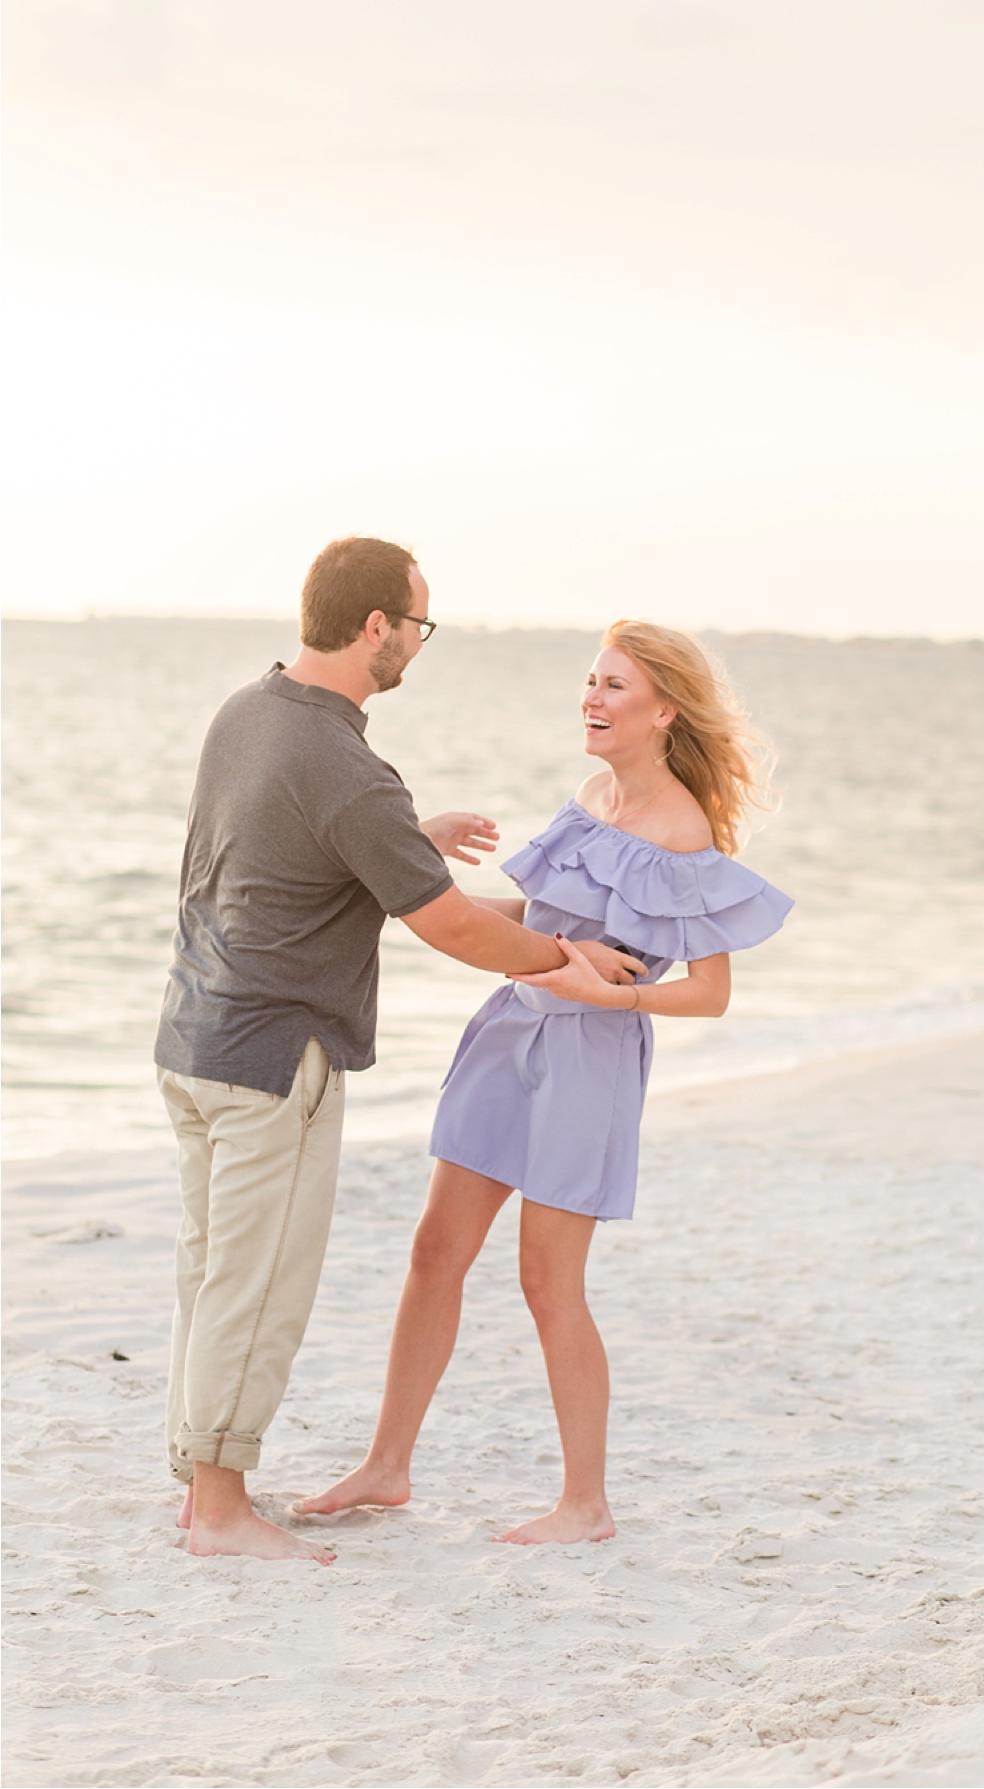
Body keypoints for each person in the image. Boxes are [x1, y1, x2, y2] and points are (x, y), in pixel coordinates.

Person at [154, 538, 644, 1565]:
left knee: (210, 1275)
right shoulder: (347, 765)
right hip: (272, 1054)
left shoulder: (249, 711)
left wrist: (406, 835)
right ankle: (225, 1512)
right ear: (375, 626)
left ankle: (200, 1491)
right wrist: (566, 951)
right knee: (255, 1285)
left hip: (193, 1037)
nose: (419, 642)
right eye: (418, 624)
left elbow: (284, 849)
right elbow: (454, 929)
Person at [297, 619, 793, 1544]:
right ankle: (387, 1465)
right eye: (590, 682)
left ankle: (585, 1506)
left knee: (546, 1280)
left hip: (589, 1060)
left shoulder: (684, 831)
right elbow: (538, 914)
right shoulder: (590, 794)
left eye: (613, 687)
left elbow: (710, 994)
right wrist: (405, 889)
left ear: (663, 711)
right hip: (508, 1035)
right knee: (434, 1250)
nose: (592, 700)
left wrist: (601, 994)